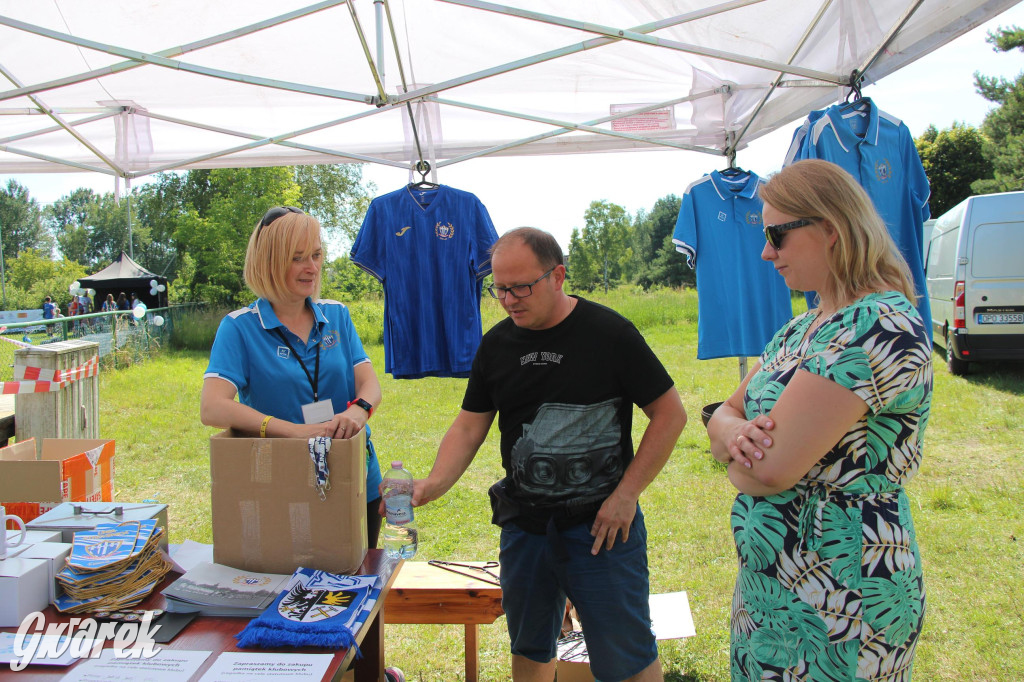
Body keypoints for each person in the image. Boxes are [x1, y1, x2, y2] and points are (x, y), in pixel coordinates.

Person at [410, 227, 686, 682]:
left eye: (521, 286)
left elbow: (669, 413)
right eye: (499, 288)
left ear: (557, 275)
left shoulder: (609, 333)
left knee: (627, 654)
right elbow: (469, 423)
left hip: (602, 529)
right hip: (526, 528)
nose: (509, 299)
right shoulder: (497, 344)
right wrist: (433, 484)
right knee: (531, 647)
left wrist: (626, 495)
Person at [706, 159, 932, 680]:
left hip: (842, 595)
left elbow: (768, 471)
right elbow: (726, 412)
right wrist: (736, 432)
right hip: (775, 590)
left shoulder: (877, 324)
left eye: (776, 235)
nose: (766, 252)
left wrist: (735, 454)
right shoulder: (802, 327)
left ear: (830, 229)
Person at [200, 206, 385, 547]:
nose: (312, 267)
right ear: (269, 262)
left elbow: (369, 384)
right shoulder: (240, 327)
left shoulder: (337, 315)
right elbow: (212, 408)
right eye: (297, 258)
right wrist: (298, 433)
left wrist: (359, 410)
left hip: (355, 471)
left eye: (316, 255)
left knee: (356, 579)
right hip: (282, 479)